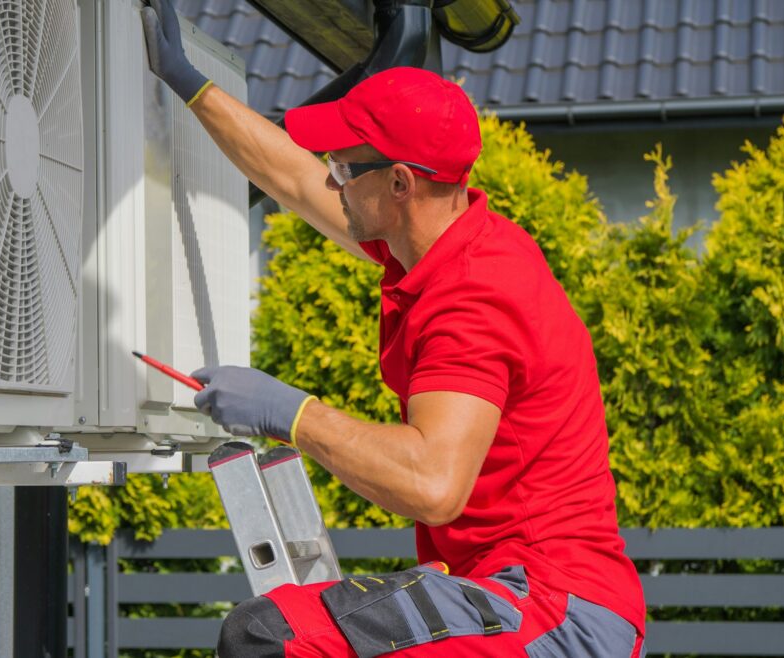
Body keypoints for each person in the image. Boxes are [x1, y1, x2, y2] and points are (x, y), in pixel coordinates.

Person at [141, 1, 646, 655]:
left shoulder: (475, 297)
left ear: (401, 182)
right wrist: (188, 83)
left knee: (270, 638)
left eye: (346, 167)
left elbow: (432, 485)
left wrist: (288, 411)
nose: (331, 177)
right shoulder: (437, 243)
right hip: (510, 590)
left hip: (553, 607)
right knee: (273, 631)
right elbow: (294, 177)